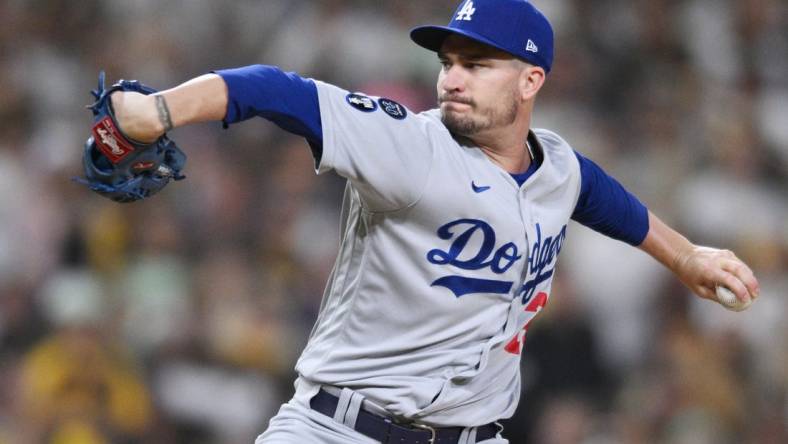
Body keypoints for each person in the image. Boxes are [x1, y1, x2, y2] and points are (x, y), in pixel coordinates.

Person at [105, 1, 760, 443]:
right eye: (448, 61)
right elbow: (279, 90)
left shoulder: (556, 164)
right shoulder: (410, 146)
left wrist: (685, 256)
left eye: (476, 65)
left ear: (530, 80)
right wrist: (159, 111)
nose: (451, 78)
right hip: (340, 427)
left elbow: (596, 193)